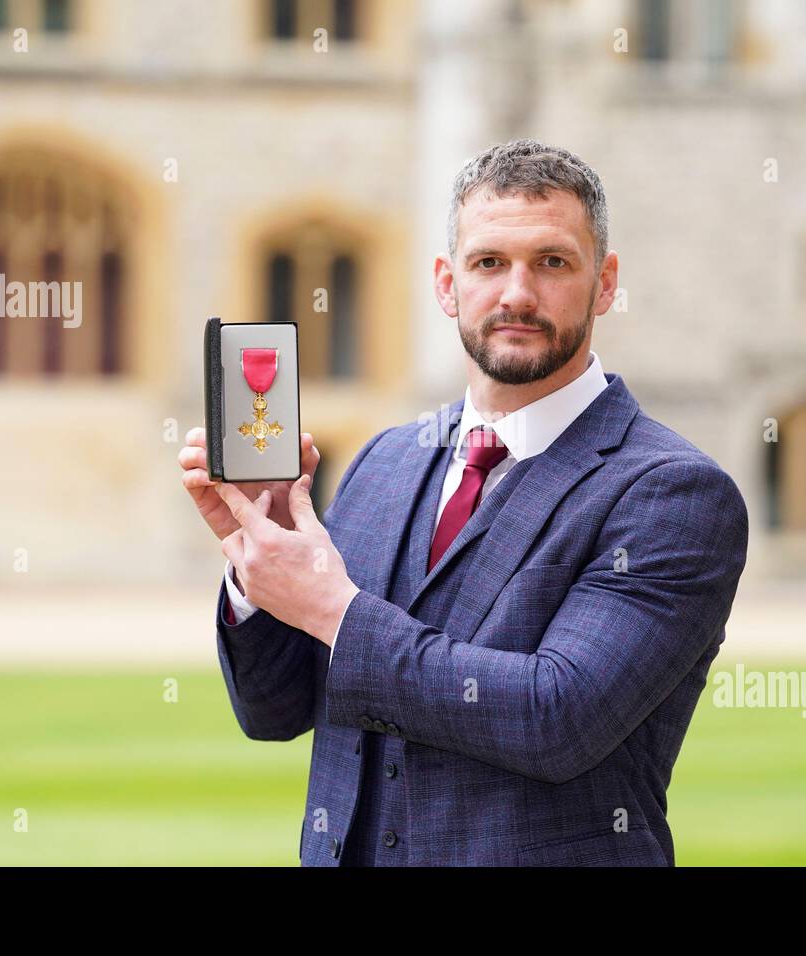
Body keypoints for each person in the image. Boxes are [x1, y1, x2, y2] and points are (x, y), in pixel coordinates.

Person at [178, 139, 748, 866]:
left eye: (552, 262)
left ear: (604, 283)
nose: (516, 294)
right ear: (447, 284)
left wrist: (330, 607)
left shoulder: (673, 493)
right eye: (488, 264)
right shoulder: (383, 462)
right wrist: (258, 563)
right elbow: (274, 712)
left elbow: (557, 717)